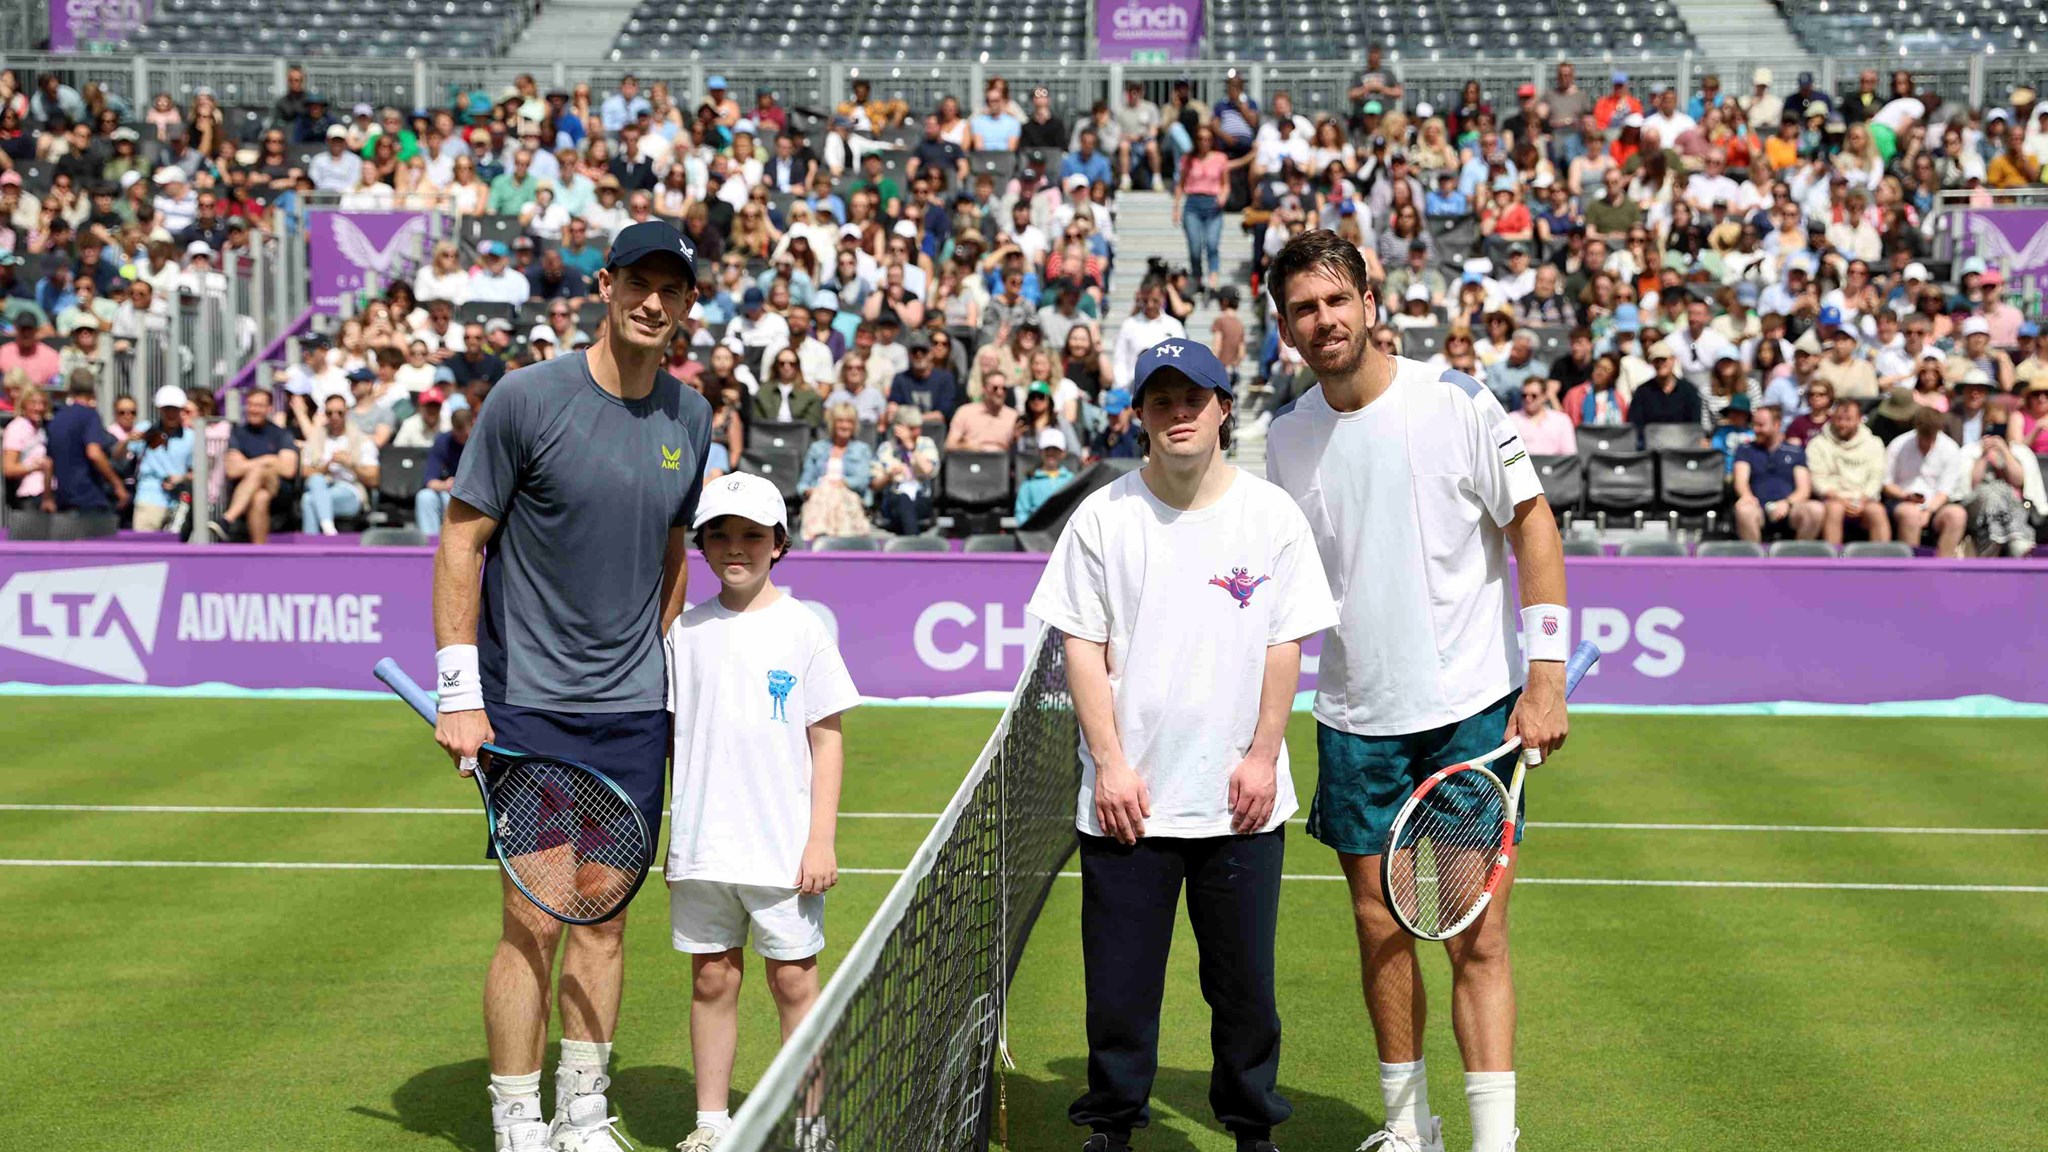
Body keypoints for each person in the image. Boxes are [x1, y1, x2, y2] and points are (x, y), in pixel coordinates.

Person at [1262, 230, 1571, 1152]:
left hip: (1472, 712)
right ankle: (1408, 1132)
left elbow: (1535, 528)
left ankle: (1493, 1141)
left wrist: (1545, 676)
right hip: (1355, 722)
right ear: (1286, 328)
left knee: (1477, 936)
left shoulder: (1456, 401)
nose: (1323, 321)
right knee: (1380, 931)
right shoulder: (1283, 438)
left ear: (1369, 298)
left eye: (1335, 300)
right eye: (1304, 310)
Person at [431, 220, 711, 1152]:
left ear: (686, 306)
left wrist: (658, 660)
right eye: (640, 282)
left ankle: (582, 1115)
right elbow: (462, 541)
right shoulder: (525, 398)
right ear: (605, 284)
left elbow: (675, 550)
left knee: (603, 922)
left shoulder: (691, 417)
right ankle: (518, 1119)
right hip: (529, 707)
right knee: (533, 923)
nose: (654, 303)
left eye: (672, 290)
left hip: (633, 713)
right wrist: (459, 688)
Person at [1027, 336, 1336, 1152]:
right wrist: (1112, 766)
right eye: (1161, 402)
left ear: (1224, 407)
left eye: (1193, 399)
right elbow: (1079, 645)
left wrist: (1264, 755)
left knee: (1244, 991)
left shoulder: (1270, 514)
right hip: (1129, 801)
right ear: (1141, 416)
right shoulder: (1103, 515)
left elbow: (1284, 643)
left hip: (1240, 799)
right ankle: (1113, 1124)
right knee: (1120, 990)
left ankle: (1250, 1125)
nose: (1179, 415)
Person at [664, 471, 857, 1152]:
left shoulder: (804, 628)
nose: (736, 548)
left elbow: (826, 738)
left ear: (779, 543)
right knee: (712, 977)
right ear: (703, 546)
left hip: (784, 848)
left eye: (752, 535)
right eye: (721, 535)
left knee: (794, 981)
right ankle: (712, 1123)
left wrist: (821, 840)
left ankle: (810, 1123)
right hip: (701, 846)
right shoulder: (682, 632)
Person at [213, 388, 297, 543]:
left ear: (269, 408)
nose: (253, 409)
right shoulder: (238, 433)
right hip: (248, 493)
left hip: (278, 492)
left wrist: (248, 464)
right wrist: (269, 460)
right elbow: (232, 470)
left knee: (259, 472)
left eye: (259, 405)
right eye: (250, 405)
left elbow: (288, 469)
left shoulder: (281, 434)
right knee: (260, 497)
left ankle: (227, 519)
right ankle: (259, 551)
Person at [1806, 395, 1890, 548]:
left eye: (1848, 419)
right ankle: (1833, 564)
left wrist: (1862, 500)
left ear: (1859, 419)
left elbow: (1876, 478)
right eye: (1838, 419)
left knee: (1877, 511)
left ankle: (1883, 562)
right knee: (1835, 509)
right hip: (1833, 499)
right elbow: (1818, 480)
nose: (1842, 424)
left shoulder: (1874, 443)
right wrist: (1841, 500)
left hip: (1864, 499)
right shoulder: (1818, 444)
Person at [1732, 403, 1823, 543]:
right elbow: (1741, 480)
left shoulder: (1795, 451)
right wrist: (1747, 496)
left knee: (1816, 509)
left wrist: (1787, 503)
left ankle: (1799, 557)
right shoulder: (1745, 449)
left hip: (1789, 508)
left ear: (1776, 425)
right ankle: (1754, 560)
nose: (1756, 429)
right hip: (1757, 507)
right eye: (1754, 424)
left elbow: (1804, 489)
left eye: (1761, 425)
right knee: (1743, 509)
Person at [1884, 405, 1966, 554]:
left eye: (1931, 437)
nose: (1927, 441)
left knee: (1957, 515)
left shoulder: (1950, 449)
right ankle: (1911, 570)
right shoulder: (1898, 445)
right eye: (1923, 436)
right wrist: (1905, 496)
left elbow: (1944, 491)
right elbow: (1887, 484)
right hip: (1901, 501)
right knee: (1911, 514)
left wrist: (1928, 511)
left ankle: (1942, 567)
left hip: (1936, 505)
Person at [294, 392, 379, 535]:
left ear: (347, 412)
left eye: (339, 413)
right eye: (329, 413)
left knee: (308, 500)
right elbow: (304, 472)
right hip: (321, 486)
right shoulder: (315, 437)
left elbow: (374, 479)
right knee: (314, 484)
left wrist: (350, 465)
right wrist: (326, 467)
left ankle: (311, 547)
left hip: (350, 489)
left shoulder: (362, 440)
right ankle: (328, 528)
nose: (334, 417)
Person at [45, 373, 128, 515]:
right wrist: (117, 484)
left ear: (70, 390)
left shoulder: (56, 419)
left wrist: (47, 497)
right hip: (90, 498)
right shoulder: (90, 415)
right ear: (92, 390)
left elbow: (48, 462)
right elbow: (94, 453)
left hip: (63, 499)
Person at [796, 401, 874, 543]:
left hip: (849, 495)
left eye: (849, 421)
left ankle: (829, 537)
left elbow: (862, 481)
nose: (845, 426)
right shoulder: (817, 448)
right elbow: (804, 483)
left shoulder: (862, 449)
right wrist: (809, 490)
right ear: (833, 423)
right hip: (819, 496)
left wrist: (842, 482)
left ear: (855, 425)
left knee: (833, 493)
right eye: (840, 421)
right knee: (825, 492)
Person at [128, 385, 193, 533]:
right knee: (145, 552)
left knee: (175, 553)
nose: (171, 413)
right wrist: (127, 440)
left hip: (179, 504)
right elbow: (119, 456)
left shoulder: (191, 437)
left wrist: (180, 478)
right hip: (148, 498)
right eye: (166, 408)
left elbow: (198, 472)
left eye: (175, 409)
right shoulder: (144, 430)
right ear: (159, 409)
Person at [872, 405, 939, 535]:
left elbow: (928, 470)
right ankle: (913, 546)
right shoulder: (886, 448)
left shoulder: (926, 444)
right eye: (912, 428)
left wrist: (911, 446)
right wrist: (888, 477)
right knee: (903, 499)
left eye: (919, 427)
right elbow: (874, 485)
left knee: (908, 503)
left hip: (921, 499)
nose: (918, 432)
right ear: (898, 428)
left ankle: (909, 545)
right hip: (893, 500)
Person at [413, 407, 470, 536]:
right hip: (447, 489)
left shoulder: (480, 442)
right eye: (458, 432)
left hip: (471, 493)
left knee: (450, 499)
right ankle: (430, 545)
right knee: (425, 496)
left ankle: (454, 542)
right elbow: (429, 480)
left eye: (465, 434)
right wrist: (446, 485)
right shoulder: (443, 441)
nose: (462, 438)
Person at [945, 371, 1019, 454]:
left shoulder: (1013, 416)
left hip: (1001, 462)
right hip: (972, 460)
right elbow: (949, 445)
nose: (1000, 392)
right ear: (984, 389)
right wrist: (967, 447)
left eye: (1004, 389)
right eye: (995, 388)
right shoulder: (965, 412)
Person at [1014, 427, 1073, 522]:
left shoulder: (1072, 480)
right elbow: (1021, 512)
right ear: (1040, 452)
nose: (1051, 453)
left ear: (1063, 453)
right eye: (1047, 449)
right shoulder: (1029, 483)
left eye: (1055, 449)